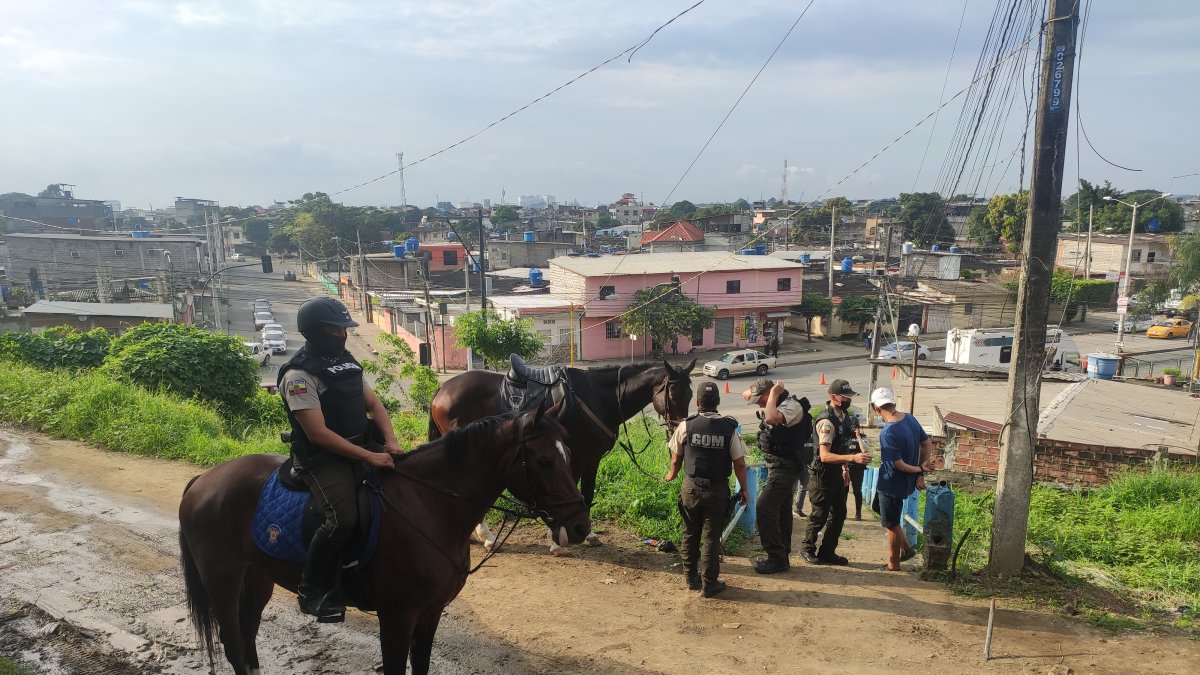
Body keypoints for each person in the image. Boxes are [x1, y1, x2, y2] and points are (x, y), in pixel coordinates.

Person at [279, 296, 403, 622]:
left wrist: (390, 442)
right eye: (334, 329)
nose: (342, 334)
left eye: (343, 329)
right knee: (342, 518)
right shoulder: (299, 376)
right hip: (323, 458)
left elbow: (374, 406)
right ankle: (313, 589)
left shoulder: (344, 363)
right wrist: (369, 457)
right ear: (315, 332)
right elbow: (318, 433)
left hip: (364, 445)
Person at [664, 382, 750, 597]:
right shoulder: (729, 428)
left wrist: (671, 475)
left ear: (698, 402)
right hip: (717, 491)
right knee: (711, 537)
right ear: (718, 402)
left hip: (691, 488)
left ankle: (691, 578)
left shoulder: (687, 425)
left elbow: (676, 460)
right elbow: (739, 464)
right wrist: (745, 491)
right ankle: (709, 583)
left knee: (690, 533)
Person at [743, 378, 812, 574]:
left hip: (786, 466)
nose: (759, 404)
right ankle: (782, 554)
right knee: (781, 511)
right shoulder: (775, 400)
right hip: (779, 465)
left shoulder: (791, 406)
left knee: (764, 508)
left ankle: (776, 557)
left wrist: (772, 394)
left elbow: (772, 419)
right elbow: (746, 395)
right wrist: (766, 390)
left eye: (760, 400)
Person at [802, 379, 870, 566]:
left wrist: (844, 468)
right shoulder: (827, 422)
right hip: (822, 475)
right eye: (845, 396)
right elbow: (824, 455)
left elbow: (841, 447)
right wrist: (852, 459)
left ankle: (827, 552)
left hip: (837, 475)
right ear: (834, 397)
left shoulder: (844, 417)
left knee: (839, 514)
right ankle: (807, 548)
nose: (849, 400)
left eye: (850, 396)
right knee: (819, 515)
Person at [870, 387, 935, 570]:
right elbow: (926, 444)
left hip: (892, 483)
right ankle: (906, 548)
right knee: (879, 509)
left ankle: (894, 563)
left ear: (876, 408)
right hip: (902, 482)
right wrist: (919, 472)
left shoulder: (888, 432)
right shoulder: (910, 419)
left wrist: (918, 469)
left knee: (891, 523)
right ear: (893, 403)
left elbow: (898, 464)